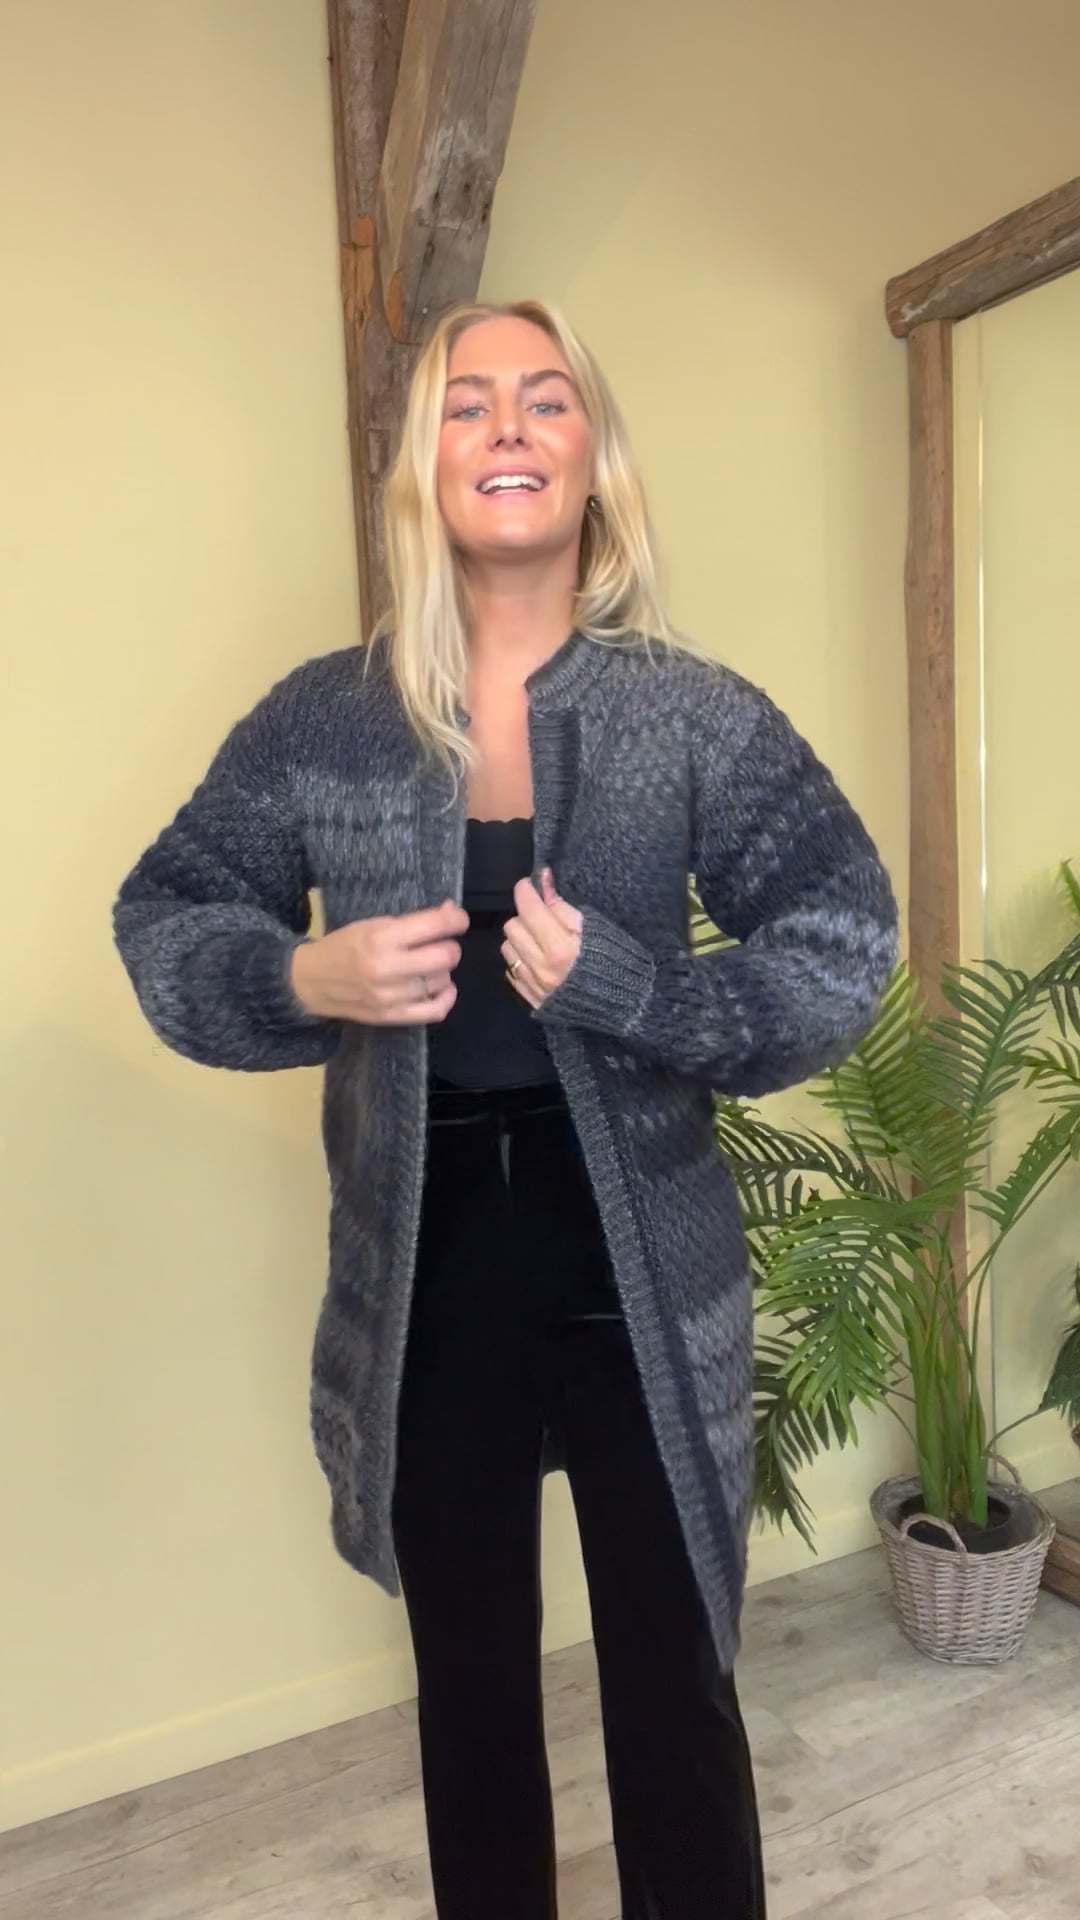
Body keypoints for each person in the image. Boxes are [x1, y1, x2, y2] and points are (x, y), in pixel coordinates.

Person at [114, 298, 897, 1918]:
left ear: (595, 459)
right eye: (469, 405)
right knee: (469, 1690)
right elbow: (167, 918)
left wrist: (640, 992)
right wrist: (306, 977)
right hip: (425, 1256)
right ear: (426, 464)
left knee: (674, 1677)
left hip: (642, 1255)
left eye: (547, 400)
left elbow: (842, 940)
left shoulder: (693, 713)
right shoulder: (325, 718)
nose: (510, 428)